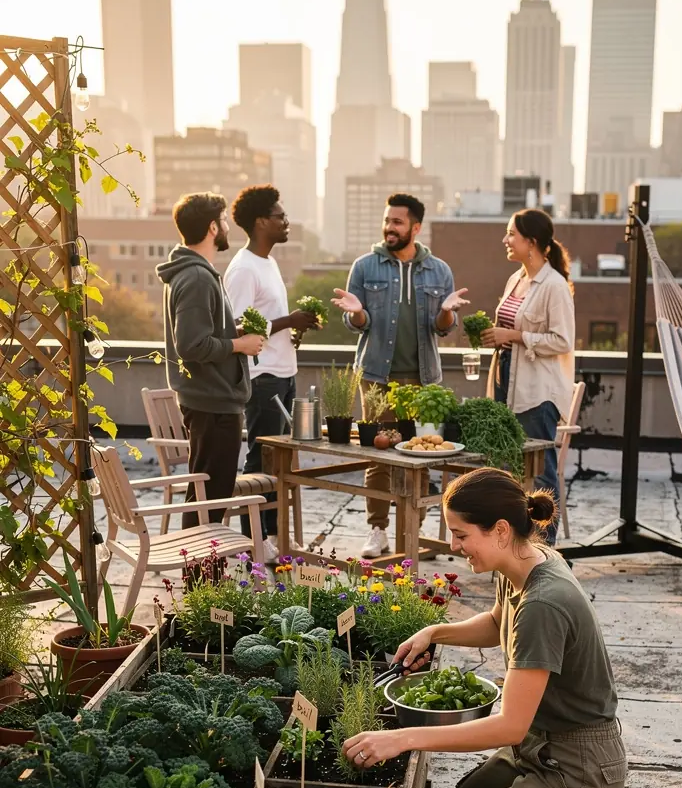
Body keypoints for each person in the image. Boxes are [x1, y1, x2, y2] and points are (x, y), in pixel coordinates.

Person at [341, 467, 640, 788]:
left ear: (500, 530)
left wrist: (401, 737)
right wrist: (434, 632)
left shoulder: (544, 602)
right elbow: (500, 622)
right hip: (540, 747)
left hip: (578, 767)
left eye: (461, 536)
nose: (454, 547)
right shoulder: (523, 559)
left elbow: (509, 725)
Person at [332, 192, 469, 559]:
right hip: (376, 377)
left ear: (415, 227)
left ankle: (415, 528)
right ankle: (377, 531)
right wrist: (358, 314)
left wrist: (446, 313)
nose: (389, 228)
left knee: (420, 457)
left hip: (424, 381)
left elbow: (443, 328)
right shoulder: (365, 266)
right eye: (387, 220)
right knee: (378, 456)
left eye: (397, 222)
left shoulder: (439, 271)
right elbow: (357, 321)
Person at [224, 185, 320, 563]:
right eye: (280, 216)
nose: (286, 222)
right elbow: (237, 327)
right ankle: (255, 540)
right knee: (261, 460)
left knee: (279, 461)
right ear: (262, 222)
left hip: (284, 372)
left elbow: (263, 321)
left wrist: (291, 328)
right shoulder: (243, 268)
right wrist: (287, 320)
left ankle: (273, 535)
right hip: (262, 378)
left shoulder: (269, 263)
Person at [158, 192, 264, 528]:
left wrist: (231, 330)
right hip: (212, 403)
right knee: (209, 497)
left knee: (208, 493)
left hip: (211, 400)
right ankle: (201, 579)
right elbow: (191, 345)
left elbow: (200, 332)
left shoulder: (196, 273)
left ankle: (202, 576)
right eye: (224, 220)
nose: (228, 226)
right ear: (211, 228)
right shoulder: (196, 277)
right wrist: (239, 344)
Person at [481, 208, 575, 545]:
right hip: (506, 380)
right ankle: (517, 545)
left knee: (540, 473)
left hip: (539, 391)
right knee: (510, 469)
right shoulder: (516, 279)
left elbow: (562, 341)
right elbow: (509, 329)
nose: (505, 240)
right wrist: (493, 334)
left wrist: (515, 337)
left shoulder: (554, 286)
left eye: (511, 235)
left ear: (532, 242)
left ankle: (544, 553)